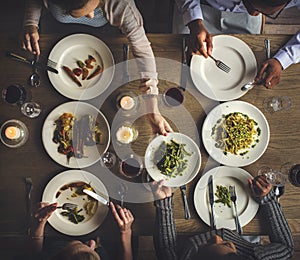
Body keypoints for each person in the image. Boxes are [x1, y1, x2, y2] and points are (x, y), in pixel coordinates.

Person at [21, 0, 173, 136]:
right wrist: (31, 23)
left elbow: (143, 51)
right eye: (75, 13)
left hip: (106, 34)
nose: (91, 16)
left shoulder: (122, 4)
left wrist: (152, 109)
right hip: (54, 31)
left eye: (92, 8)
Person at [151, 176, 294, 259]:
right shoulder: (256, 257)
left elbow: (166, 250)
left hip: (187, 234)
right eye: (226, 244)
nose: (217, 237)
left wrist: (164, 204)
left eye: (205, 246)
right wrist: (268, 201)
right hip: (246, 238)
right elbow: (286, 248)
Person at [173, 0, 300, 89]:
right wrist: (194, 22)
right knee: (178, 58)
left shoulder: (254, 12)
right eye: (249, 3)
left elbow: (254, 12)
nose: (253, 13)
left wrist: (284, 59)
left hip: (244, 19)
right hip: (200, 6)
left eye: (270, 13)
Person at [27, 201, 134, 260]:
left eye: (77, 244)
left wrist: (39, 223)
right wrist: (126, 232)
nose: (91, 242)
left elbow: (36, 254)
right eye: (92, 250)